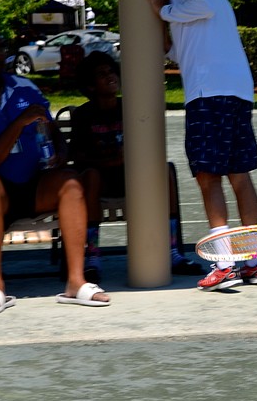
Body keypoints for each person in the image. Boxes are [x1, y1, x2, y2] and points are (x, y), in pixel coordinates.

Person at [143, 0, 257, 291]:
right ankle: (254, 263)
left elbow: (206, 6)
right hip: (235, 89)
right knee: (239, 174)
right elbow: (174, 49)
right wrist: (163, 15)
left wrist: (162, 10)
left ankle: (225, 263)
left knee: (207, 174)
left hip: (209, 92)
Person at [0, 27, 110, 314]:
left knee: (70, 183)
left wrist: (60, 154)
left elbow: (51, 130)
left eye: (0, 48)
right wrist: (17, 124)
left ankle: (76, 282)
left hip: (34, 183)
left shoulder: (25, 87)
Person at [68, 51, 204, 280]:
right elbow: (78, 157)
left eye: (111, 71)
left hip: (133, 178)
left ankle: (171, 252)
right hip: (100, 182)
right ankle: (92, 256)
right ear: (90, 86)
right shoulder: (84, 115)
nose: (110, 76)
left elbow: (149, 144)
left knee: (166, 169)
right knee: (90, 175)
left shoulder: (131, 107)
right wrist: (110, 161)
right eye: (102, 74)